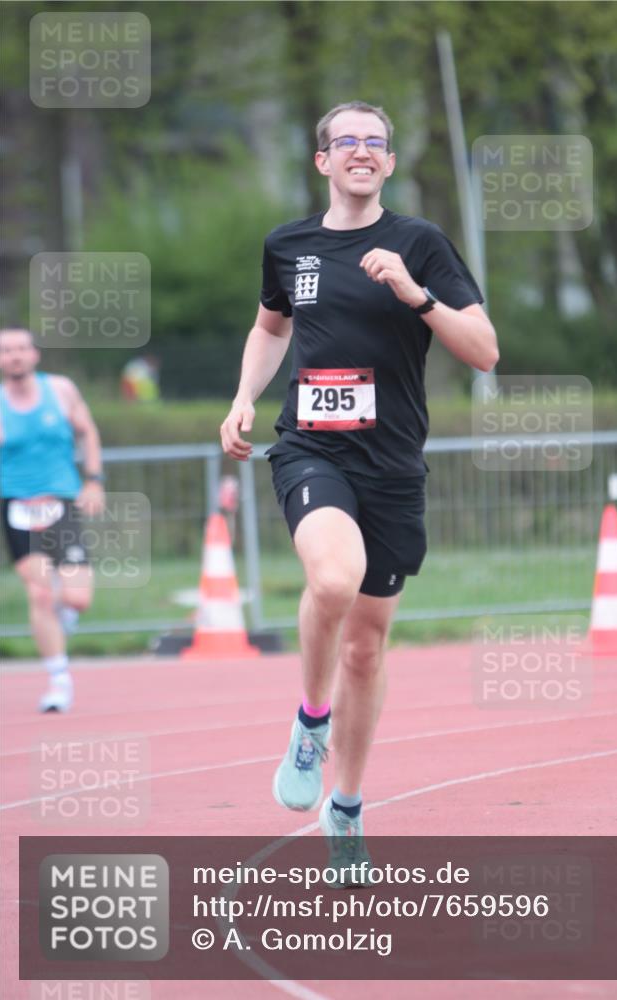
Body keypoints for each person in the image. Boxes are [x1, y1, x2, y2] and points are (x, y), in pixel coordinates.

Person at [221, 101, 499, 873]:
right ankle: (310, 723)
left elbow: (483, 352)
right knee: (332, 579)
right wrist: (244, 395)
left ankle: (344, 805)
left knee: (368, 651)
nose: (361, 152)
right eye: (346, 141)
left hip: (393, 466)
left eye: (375, 142)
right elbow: (270, 327)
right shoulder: (289, 245)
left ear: (390, 162)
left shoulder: (420, 244)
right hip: (311, 450)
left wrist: (416, 293)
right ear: (322, 161)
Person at [0, 328, 105, 712]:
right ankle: (59, 680)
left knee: (76, 598)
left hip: (61, 503)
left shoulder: (60, 390)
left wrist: (93, 480)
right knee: (40, 593)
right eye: (6, 350)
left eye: (20, 349)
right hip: (17, 509)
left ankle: (65, 613)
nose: (14, 356)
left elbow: (87, 431)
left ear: (34, 355)